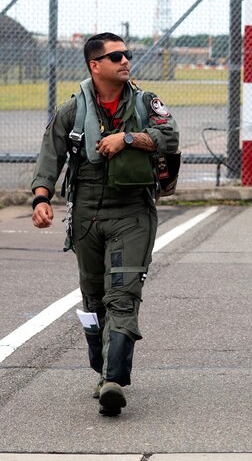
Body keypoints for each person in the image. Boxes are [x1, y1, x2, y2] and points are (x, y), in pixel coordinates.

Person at [31, 32, 179, 416]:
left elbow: (170, 135)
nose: (125, 61)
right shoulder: (72, 109)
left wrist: (127, 138)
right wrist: (42, 199)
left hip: (132, 210)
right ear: (95, 65)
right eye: (116, 56)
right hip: (87, 213)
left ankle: (115, 379)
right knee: (94, 300)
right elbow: (51, 155)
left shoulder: (147, 102)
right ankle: (101, 371)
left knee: (123, 295)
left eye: (127, 54)